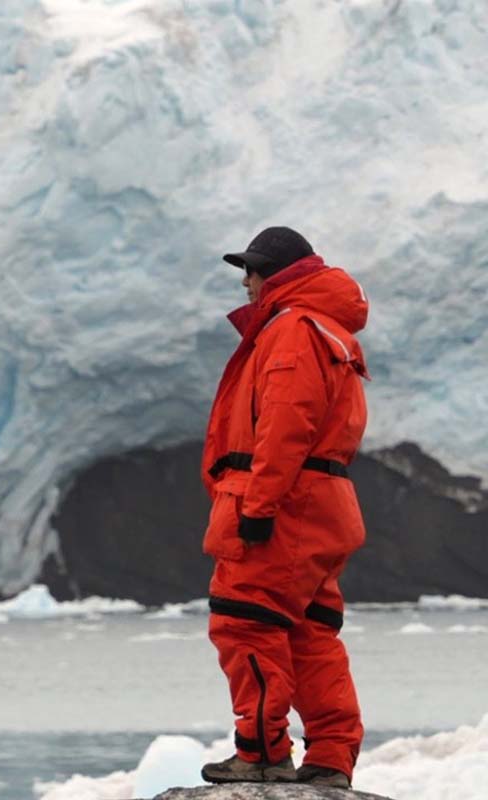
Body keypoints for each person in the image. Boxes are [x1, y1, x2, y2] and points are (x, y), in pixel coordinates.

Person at [198, 226, 369, 788]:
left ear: (277, 274)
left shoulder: (292, 329)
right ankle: (331, 757)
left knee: (244, 620)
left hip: (284, 504)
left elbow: (285, 424)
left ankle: (263, 753)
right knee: (308, 632)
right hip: (321, 506)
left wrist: (259, 506)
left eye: (251, 270)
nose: (246, 282)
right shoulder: (324, 328)